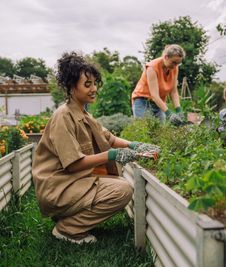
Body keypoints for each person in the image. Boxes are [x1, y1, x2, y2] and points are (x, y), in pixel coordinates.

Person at [32, 52, 159, 245]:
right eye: (87, 84)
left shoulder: (83, 114)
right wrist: (112, 154)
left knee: (115, 181)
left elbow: (108, 137)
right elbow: (74, 165)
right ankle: (68, 229)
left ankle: (68, 218)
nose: (94, 89)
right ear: (71, 87)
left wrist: (134, 145)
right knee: (122, 190)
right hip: (58, 188)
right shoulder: (63, 117)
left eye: (94, 83)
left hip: (72, 182)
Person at [132, 44, 186, 125]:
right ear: (166, 57)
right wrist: (169, 113)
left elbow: (173, 91)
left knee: (159, 131)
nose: (175, 66)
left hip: (159, 102)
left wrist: (179, 110)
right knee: (143, 130)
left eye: (178, 63)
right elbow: (154, 95)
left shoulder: (174, 68)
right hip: (142, 101)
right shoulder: (152, 68)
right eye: (174, 62)